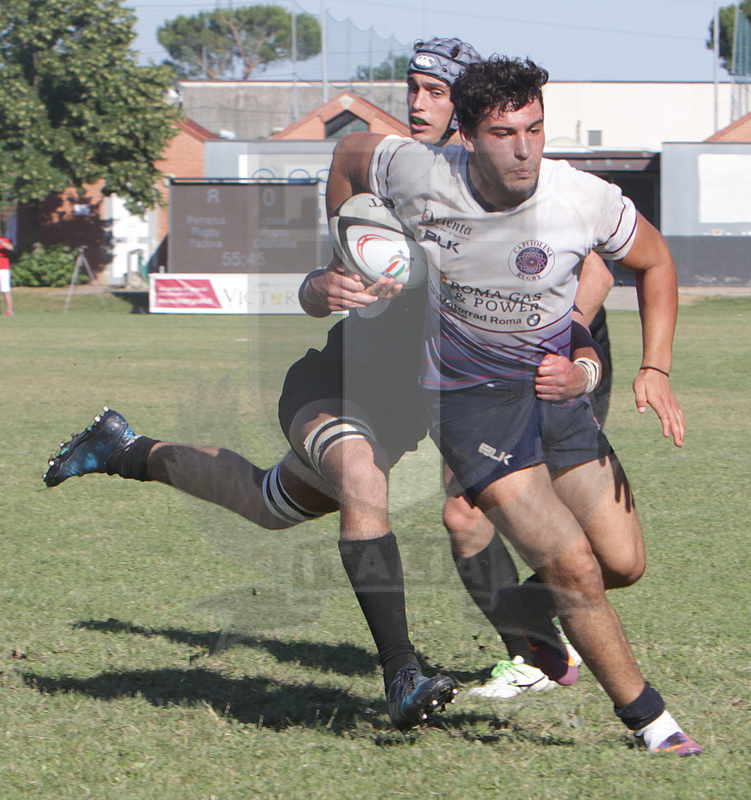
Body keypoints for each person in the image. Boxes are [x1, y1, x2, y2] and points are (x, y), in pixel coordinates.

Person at [42, 41, 605, 729]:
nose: (417, 103)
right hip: (344, 385)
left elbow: (597, 263)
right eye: (413, 87)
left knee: (267, 502)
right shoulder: (396, 174)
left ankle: (124, 448)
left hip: (431, 403)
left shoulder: (518, 190)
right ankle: (403, 674)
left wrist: (569, 338)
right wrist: (330, 276)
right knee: (369, 483)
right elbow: (323, 268)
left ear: (470, 110)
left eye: (435, 91)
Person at [322, 55, 702, 755]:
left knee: (621, 563)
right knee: (574, 568)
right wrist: (348, 252)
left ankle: (519, 606)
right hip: (467, 403)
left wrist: (656, 366)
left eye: (534, 128)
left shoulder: (582, 198)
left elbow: (654, 262)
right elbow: (348, 156)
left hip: (552, 395)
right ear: (466, 135)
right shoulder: (417, 172)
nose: (524, 148)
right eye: (503, 133)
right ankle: (653, 724)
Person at [0, 225, 15, 316]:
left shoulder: (4, 240)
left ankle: (9, 310)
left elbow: (10, 248)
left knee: (6, 289)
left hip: (3, 268)